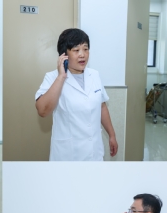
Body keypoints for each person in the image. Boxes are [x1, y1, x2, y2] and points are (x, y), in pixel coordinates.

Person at [35, 28, 118, 161]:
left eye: (85, 49)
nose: (82, 55)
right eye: (76, 50)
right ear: (64, 54)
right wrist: (61, 77)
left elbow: (101, 106)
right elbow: (42, 111)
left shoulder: (94, 75)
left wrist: (112, 135)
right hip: (68, 155)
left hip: (94, 152)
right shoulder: (52, 78)